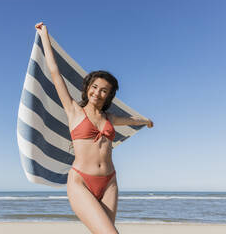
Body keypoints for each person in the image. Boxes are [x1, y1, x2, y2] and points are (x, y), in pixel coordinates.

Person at [35, 22, 154, 234]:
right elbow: (55, 73)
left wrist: (145, 121)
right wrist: (45, 37)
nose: (98, 93)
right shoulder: (74, 111)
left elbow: (130, 119)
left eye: (104, 91)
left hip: (110, 182)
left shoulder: (110, 117)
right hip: (81, 181)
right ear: (88, 88)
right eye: (95, 87)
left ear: (109, 96)